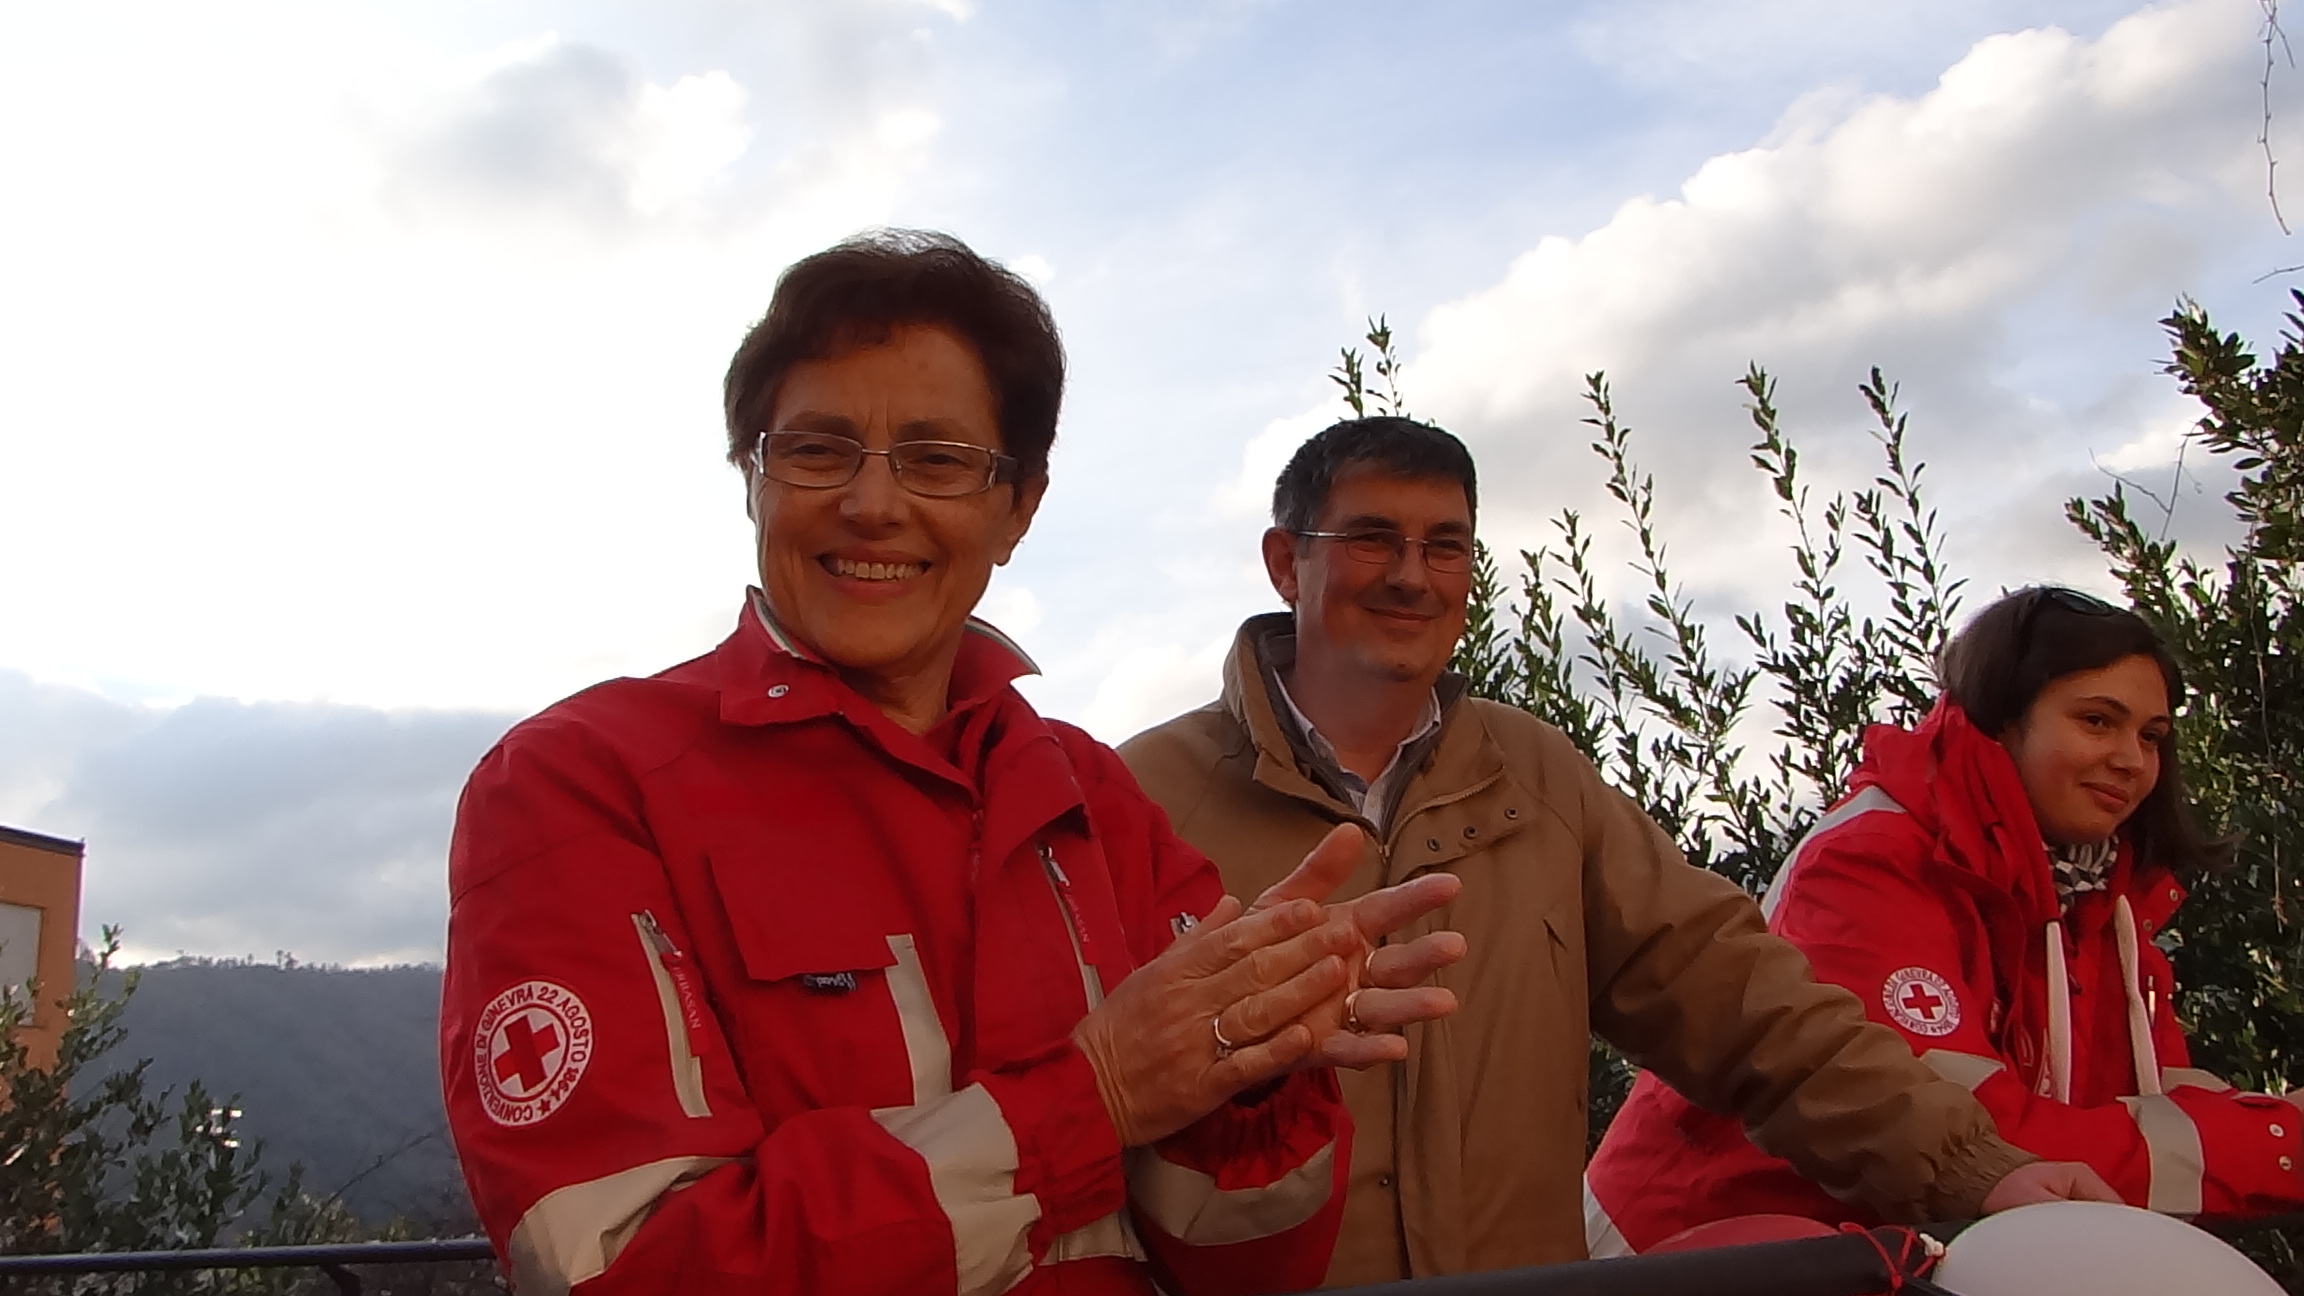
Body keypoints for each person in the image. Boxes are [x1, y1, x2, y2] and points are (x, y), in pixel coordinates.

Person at [438, 233, 1466, 1296]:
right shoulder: (577, 784)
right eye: (817, 449)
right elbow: (623, 1274)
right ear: (753, 478)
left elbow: (1245, 1267)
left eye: (936, 461)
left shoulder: (1090, 797)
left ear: (1016, 510)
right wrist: (1093, 1096)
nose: (873, 504)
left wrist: (1253, 1078)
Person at [1118, 416, 2117, 1287]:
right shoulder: (1142, 798)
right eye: (1374, 539)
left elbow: (1744, 1006)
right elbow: (1077, 1105)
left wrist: (1980, 1167)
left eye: (1447, 546)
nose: (1415, 576)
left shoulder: (1540, 781)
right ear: (1287, 561)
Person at [1586, 586, 2304, 1249]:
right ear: (2000, 719)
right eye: (2096, 721)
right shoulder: (1872, 863)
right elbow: (1981, 1136)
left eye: (2151, 736)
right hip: (1702, 1255)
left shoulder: (2096, 902)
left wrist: (2278, 1129)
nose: (2131, 760)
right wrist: (2284, 1144)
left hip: (1888, 1259)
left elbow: (2157, 1104)